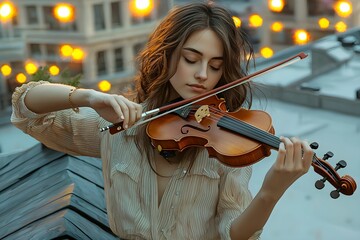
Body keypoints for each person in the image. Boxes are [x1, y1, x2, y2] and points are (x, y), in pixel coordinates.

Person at [11, 2, 313, 240]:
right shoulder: (122, 126)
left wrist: (271, 191)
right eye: (191, 59)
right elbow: (28, 108)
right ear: (166, 56)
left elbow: (233, 234)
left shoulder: (226, 147)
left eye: (215, 66)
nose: (203, 75)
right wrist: (87, 97)